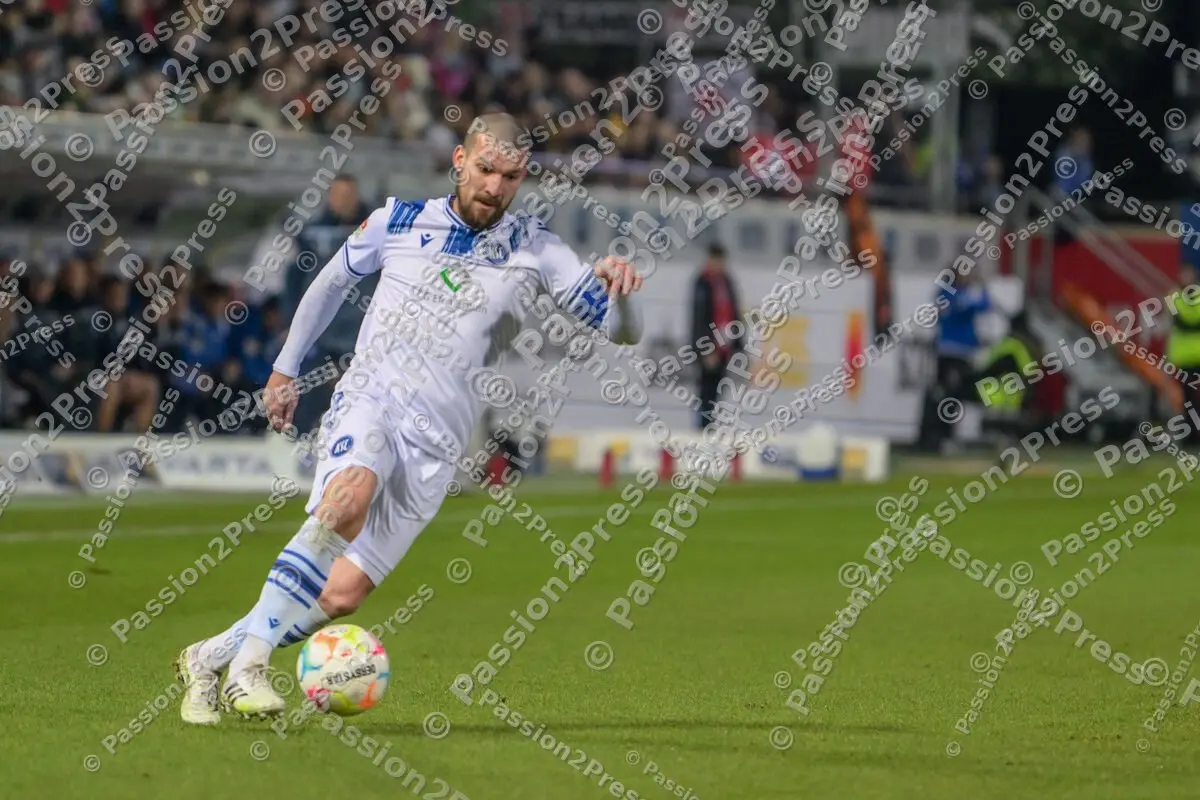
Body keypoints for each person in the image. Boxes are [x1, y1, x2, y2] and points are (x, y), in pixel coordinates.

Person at [174, 112, 645, 724]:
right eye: (485, 169)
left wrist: (621, 293)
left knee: (342, 595)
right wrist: (285, 370)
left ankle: (208, 657)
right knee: (347, 499)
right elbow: (330, 284)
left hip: (437, 444)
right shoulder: (397, 220)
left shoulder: (537, 248)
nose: (494, 187)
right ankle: (249, 668)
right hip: (373, 401)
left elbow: (621, 332)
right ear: (459, 160)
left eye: (509, 177)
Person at [283, 174, 374, 435]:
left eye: (348, 195)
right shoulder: (311, 233)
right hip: (321, 331)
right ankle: (301, 441)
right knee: (311, 395)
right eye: (338, 195)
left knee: (360, 399)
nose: (343, 201)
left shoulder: (375, 229)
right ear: (330, 197)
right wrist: (289, 322)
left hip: (361, 330)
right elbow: (294, 279)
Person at [918, 270, 990, 453]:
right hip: (955, 352)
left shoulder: (944, 294)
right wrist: (983, 288)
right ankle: (941, 436)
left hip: (954, 351)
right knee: (949, 395)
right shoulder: (954, 295)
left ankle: (943, 435)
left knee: (950, 396)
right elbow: (980, 305)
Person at [691, 243, 742, 430]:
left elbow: (734, 313)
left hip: (724, 345)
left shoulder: (727, 282)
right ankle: (703, 427)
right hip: (709, 346)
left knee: (718, 389)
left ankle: (711, 426)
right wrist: (705, 349)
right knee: (706, 389)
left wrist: (738, 345)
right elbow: (699, 318)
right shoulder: (702, 282)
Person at [1167, 263, 1200, 438]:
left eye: (1189, 274)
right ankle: (1191, 433)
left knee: (1191, 397)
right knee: (1188, 398)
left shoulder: (1175, 297)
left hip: (1196, 355)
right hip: (1184, 357)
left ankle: (1193, 432)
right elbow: (1188, 320)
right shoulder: (1174, 297)